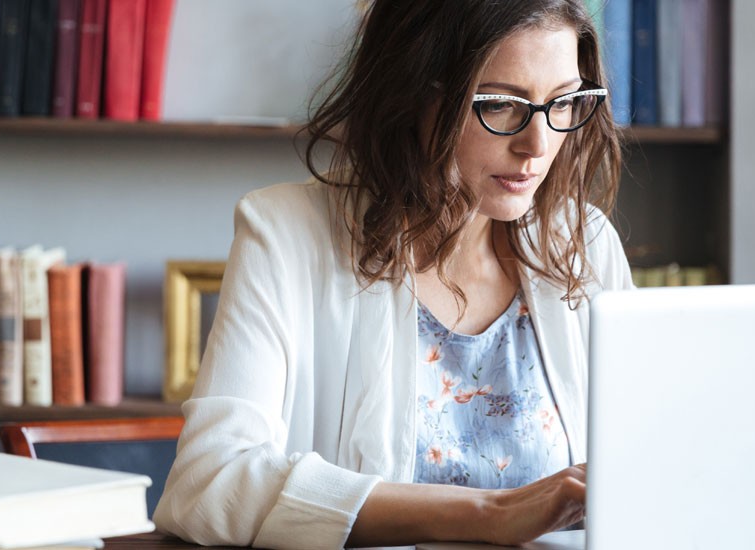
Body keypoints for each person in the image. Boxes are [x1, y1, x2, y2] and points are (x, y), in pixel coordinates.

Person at [154, 0, 633, 547]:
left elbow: (647, 462)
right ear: (415, 93)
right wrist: (489, 512)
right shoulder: (285, 234)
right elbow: (210, 484)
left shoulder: (584, 244)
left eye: (565, 102)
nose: (538, 145)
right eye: (501, 105)